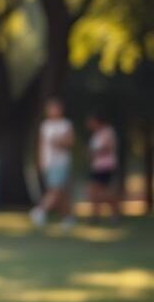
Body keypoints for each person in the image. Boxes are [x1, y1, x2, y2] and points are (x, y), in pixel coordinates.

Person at [30, 98, 75, 229]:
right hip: (49, 164)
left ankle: (40, 211)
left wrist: (58, 142)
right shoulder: (45, 126)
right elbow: (41, 146)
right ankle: (68, 218)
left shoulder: (66, 124)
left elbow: (70, 142)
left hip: (61, 163)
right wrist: (40, 162)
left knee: (56, 190)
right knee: (61, 192)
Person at [86, 112, 121, 223]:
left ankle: (114, 213)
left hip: (105, 166)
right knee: (94, 192)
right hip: (96, 167)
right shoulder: (96, 134)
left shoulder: (107, 131)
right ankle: (96, 216)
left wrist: (95, 153)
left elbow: (108, 148)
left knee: (101, 192)